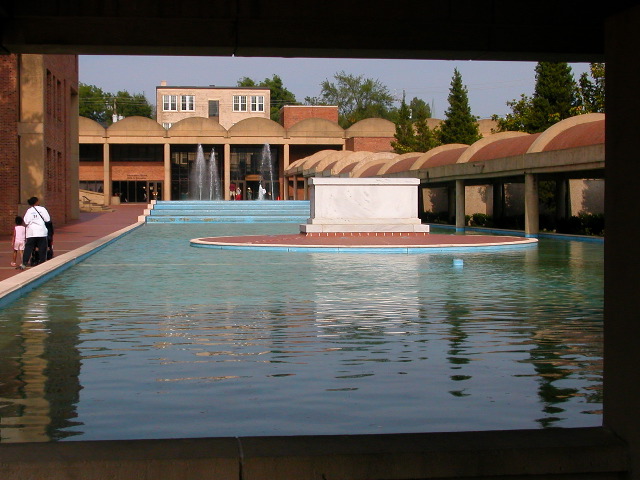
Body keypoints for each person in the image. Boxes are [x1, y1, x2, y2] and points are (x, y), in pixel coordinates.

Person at [17, 196, 51, 270]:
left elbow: (26, 221)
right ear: (36, 202)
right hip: (41, 232)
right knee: (42, 248)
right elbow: (47, 219)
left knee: (28, 248)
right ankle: (42, 262)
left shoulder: (29, 211)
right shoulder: (42, 209)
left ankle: (24, 263)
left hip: (31, 232)